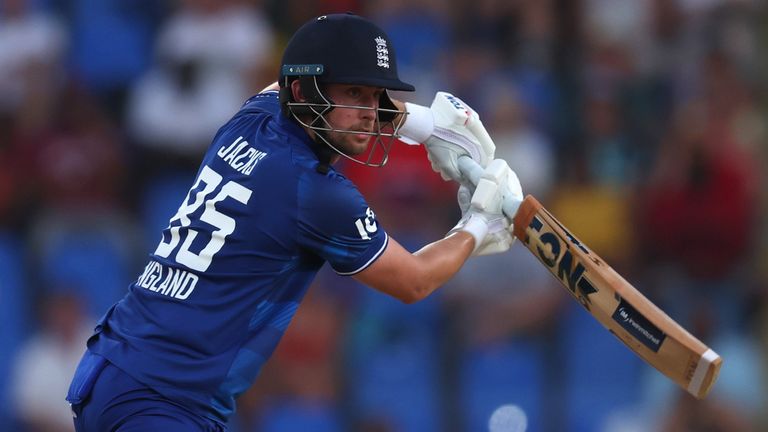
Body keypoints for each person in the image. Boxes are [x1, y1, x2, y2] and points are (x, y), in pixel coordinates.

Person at [66, 13, 523, 431]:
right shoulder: (316, 192)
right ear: (304, 93)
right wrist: (479, 223)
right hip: (161, 397)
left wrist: (422, 124)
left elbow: (277, 85)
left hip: (124, 371)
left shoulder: (250, 118)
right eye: (353, 93)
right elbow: (415, 281)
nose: (371, 112)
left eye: (377, 95)